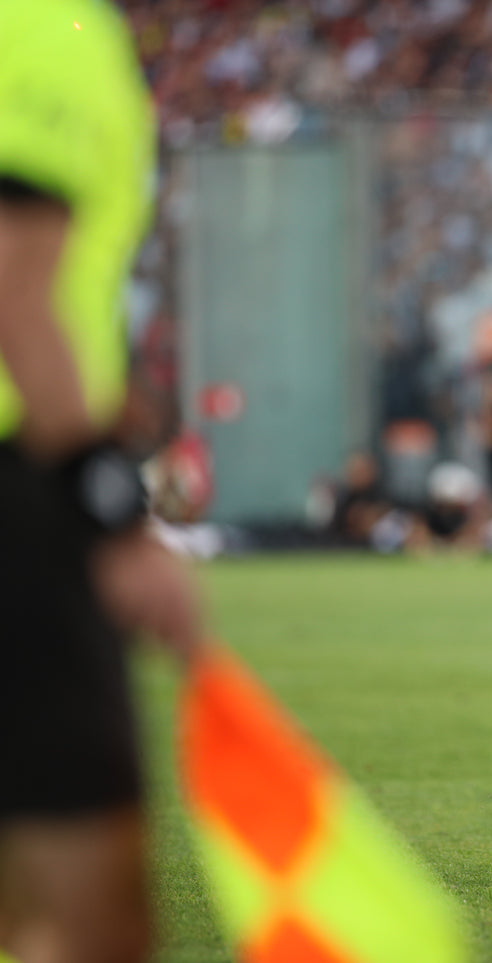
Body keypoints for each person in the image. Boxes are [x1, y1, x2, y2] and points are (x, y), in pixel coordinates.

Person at [0, 2, 205, 959]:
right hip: (22, 492)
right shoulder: (44, 32)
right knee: (89, 917)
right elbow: (12, 275)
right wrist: (113, 515)